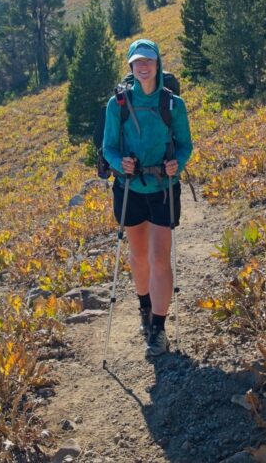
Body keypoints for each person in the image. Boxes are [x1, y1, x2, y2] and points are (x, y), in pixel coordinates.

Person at [102, 38, 193, 356]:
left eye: (148, 61)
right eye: (137, 62)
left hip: (163, 190)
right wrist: (118, 163)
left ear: (158, 64)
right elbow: (109, 147)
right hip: (129, 188)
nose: (143, 66)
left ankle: (158, 327)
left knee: (158, 259)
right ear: (130, 66)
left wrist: (176, 164)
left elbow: (185, 145)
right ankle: (144, 307)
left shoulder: (173, 105)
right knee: (139, 256)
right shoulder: (118, 105)